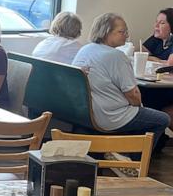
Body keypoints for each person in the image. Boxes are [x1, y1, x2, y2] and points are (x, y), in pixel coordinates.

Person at [72, 13, 170, 144]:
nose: (127, 35)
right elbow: (133, 95)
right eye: (121, 31)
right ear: (106, 32)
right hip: (110, 115)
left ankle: (122, 151)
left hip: (85, 111)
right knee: (162, 119)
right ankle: (134, 159)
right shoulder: (116, 56)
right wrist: (139, 108)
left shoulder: (86, 49)